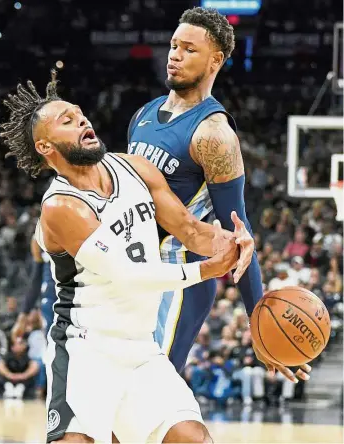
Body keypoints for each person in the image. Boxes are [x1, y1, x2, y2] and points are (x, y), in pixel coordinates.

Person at [0, 73, 247, 443]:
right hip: (85, 351)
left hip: (140, 349)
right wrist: (205, 269)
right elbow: (128, 276)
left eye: (80, 114)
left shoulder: (135, 168)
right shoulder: (62, 206)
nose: (82, 120)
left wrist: (233, 242)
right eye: (66, 121)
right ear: (45, 147)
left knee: (193, 438)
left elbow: (192, 230)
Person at [127, 6, 311, 383]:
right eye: (174, 45)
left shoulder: (214, 135)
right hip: (133, 270)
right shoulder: (143, 114)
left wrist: (258, 320)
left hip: (179, 279)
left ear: (215, 61)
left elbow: (239, 236)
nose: (175, 55)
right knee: (128, 404)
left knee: (145, 394)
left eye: (189, 49)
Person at [12, 235, 56, 340]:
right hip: (51, 303)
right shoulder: (38, 237)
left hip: (75, 298)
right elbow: (36, 280)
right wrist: (23, 315)